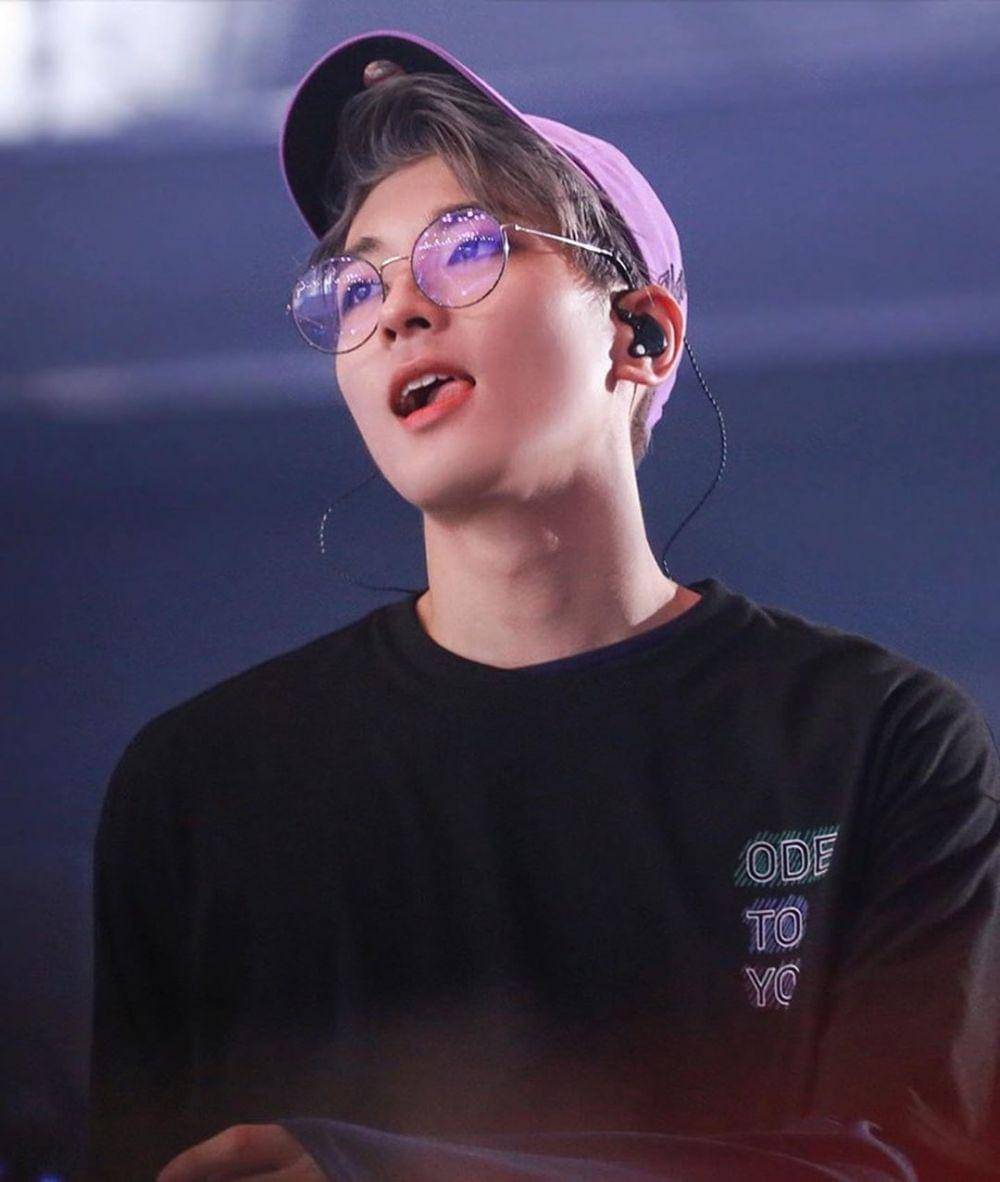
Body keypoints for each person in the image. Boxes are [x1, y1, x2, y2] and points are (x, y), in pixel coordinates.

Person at [86, 29, 1000, 1182]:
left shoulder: (876, 739)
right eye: (354, 285)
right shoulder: (201, 783)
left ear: (641, 334)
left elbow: (908, 1164)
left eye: (466, 247)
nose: (397, 310)